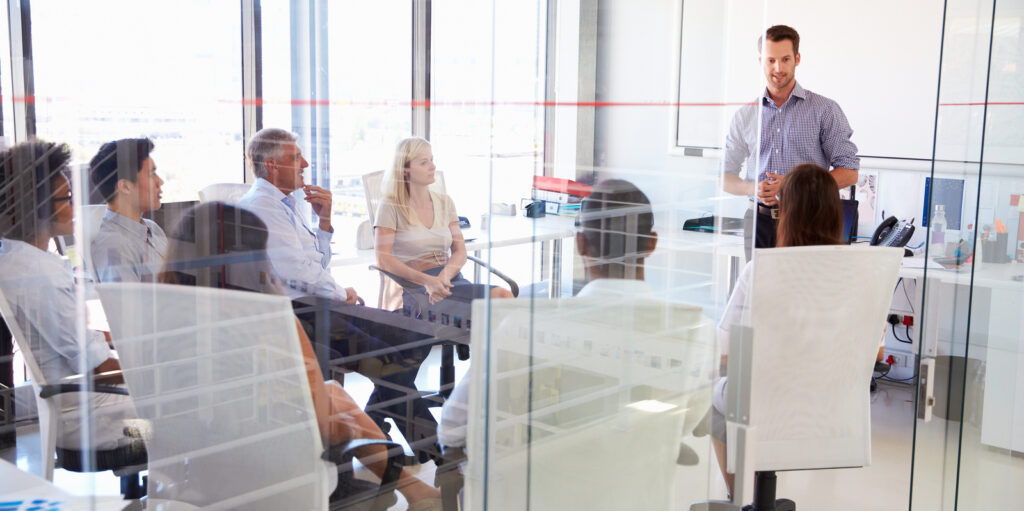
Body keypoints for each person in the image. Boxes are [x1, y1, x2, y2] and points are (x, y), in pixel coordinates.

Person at [158, 202, 442, 510]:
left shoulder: (164, 319)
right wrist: (343, 423)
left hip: (201, 470)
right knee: (336, 401)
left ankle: (416, 488)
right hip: (268, 472)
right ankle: (420, 478)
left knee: (333, 391)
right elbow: (319, 420)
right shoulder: (269, 323)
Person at [439, 179, 710, 455]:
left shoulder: (524, 328)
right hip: (639, 493)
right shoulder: (695, 333)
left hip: (538, 492)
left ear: (580, 243)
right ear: (652, 244)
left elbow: (451, 428)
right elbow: (683, 424)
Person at [237, 128, 435, 457]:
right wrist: (343, 294)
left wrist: (324, 222)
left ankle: (378, 421)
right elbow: (298, 274)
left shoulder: (285, 204)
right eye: (295, 157)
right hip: (299, 314)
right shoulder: (263, 207)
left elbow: (317, 263)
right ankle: (433, 449)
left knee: (416, 335)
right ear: (272, 165)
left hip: (320, 304)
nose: (305, 162)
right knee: (388, 361)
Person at [712, 163, 844, 494]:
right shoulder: (858, 273)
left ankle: (737, 497)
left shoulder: (762, 270)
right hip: (829, 403)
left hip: (769, 400)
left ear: (785, 211)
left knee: (715, 397)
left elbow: (723, 349)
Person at [0, 140, 138, 452]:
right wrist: (154, 365)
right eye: (67, 199)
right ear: (36, 208)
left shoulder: (12, 258)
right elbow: (98, 367)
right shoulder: (40, 275)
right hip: (98, 418)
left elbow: (74, 338)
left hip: (69, 404)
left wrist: (123, 339)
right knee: (187, 411)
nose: (74, 209)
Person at [721, 25, 859, 260]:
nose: (778, 68)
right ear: (760, 61)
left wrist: (794, 186)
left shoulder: (824, 110)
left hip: (810, 222)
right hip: (758, 223)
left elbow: (850, 173)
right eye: (771, 60)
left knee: (805, 294)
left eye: (785, 59)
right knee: (760, 295)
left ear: (797, 59)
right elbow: (725, 177)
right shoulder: (745, 115)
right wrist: (751, 188)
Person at [374, 137, 514, 311]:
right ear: (404, 170)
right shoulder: (390, 205)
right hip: (417, 288)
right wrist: (428, 281)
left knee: (504, 299)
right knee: (494, 307)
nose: (432, 166)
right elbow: (383, 259)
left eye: (432, 160)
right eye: (424, 162)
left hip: (450, 280)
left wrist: (442, 279)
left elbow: (460, 251)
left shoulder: (445, 202)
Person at [89, 138, 168, 283]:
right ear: (125, 187)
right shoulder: (114, 246)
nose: (160, 181)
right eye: (151, 175)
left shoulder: (152, 228)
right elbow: (126, 305)